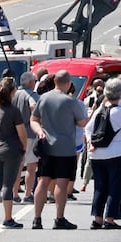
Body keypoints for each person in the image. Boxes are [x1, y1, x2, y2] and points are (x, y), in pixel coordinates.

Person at [30, 69, 88, 230]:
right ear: (68, 83)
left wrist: (40, 131)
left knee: (43, 180)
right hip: (66, 148)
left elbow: (34, 120)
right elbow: (82, 122)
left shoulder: (44, 98)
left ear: (54, 81)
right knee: (61, 183)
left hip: (47, 145)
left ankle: (37, 218)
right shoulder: (71, 102)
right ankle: (59, 218)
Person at [87, 78, 121, 230]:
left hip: (96, 154)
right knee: (116, 186)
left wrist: (91, 142)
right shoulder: (120, 111)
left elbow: (88, 128)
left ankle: (97, 218)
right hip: (117, 153)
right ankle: (110, 218)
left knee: (100, 186)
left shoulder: (99, 110)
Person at [0, 78, 29, 228]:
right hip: (10, 149)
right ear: (13, 92)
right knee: (8, 184)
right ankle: (8, 219)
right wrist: (24, 148)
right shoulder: (14, 111)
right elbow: (22, 133)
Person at [14, 70, 40, 203]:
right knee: (31, 165)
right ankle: (28, 194)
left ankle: (14, 194)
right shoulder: (32, 95)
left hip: (15, 133)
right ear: (30, 82)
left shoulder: (15, 94)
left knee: (18, 164)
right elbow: (34, 105)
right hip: (29, 133)